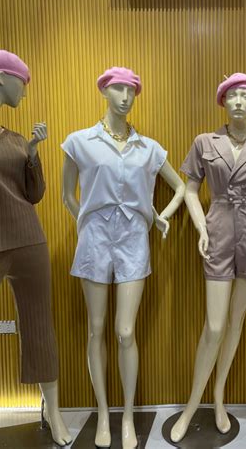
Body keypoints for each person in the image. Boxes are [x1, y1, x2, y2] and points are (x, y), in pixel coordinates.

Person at [61, 66, 185, 448]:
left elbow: (180, 187)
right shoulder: (80, 142)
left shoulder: (148, 148)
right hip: (95, 240)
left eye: (131, 90)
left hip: (134, 239)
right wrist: (85, 223)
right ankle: (103, 413)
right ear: (104, 91)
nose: (125, 96)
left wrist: (161, 217)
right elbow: (67, 195)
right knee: (96, 328)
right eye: (118, 88)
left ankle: (128, 415)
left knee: (125, 331)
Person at [170, 72, 246, 443]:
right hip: (219, 232)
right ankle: (192, 406)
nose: (239, 101)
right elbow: (191, 190)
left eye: (245, 95)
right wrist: (201, 228)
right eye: (232, 95)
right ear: (223, 101)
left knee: (236, 322)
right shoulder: (205, 142)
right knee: (214, 326)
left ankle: (219, 397)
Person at [0, 49, 71, 446]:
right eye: (22, 82)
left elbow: (35, 194)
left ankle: (54, 413)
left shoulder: (13, 138)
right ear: (2, 77)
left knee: (39, 326)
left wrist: (31, 154)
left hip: (28, 239)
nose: (25, 91)